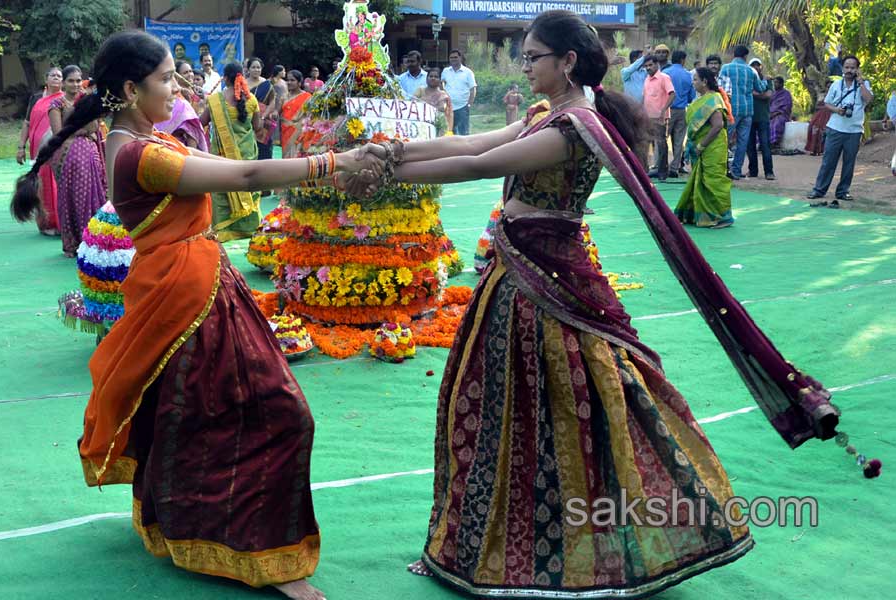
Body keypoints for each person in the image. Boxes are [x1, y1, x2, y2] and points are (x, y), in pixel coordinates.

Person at [351, 10, 838, 598]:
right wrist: (391, 151)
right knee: (503, 408)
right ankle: (498, 543)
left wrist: (386, 175)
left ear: (568, 62)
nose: (524, 66)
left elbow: (481, 166)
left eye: (533, 57)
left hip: (549, 283)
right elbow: (476, 139)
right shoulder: (545, 114)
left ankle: (611, 539)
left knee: (578, 403)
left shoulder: (574, 127)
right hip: (516, 273)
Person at [10, 30, 383, 600]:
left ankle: (179, 524)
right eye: (166, 78)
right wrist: (337, 161)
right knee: (283, 413)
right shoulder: (140, 153)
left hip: (193, 288)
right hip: (187, 297)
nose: (179, 85)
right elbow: (247, 175)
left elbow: (228, 165)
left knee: (185, 414)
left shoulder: (141, 140)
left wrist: (349, 163)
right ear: (131, 89)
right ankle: (269, 557)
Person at [200, 63, 268, 241]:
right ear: (241, 77)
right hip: (246, 152)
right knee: (247, 185)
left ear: (226, 78)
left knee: (223, 187)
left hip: (222, 154)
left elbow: (201, 122)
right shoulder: (251, 100)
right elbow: (257, 127)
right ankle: (248, 227)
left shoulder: (215, 101)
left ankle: (223, 229)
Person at [47, 66, 109, 257]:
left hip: (90, 153)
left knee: (95, 192)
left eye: (77, 80)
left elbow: (95, 126)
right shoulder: (57, 105)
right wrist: (82, 131)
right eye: (70, 81)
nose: (74, 84)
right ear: (63, 83)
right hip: (68, 156)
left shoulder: (89, 101)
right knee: (73, 196)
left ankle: (95, 240)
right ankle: (74, 242)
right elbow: (59, 133)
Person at [807, 55, 873, 208]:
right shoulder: (836, 85)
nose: (849, 70)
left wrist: (861, 82)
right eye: (847, 67)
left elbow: (868, 99)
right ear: (842, 69)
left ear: (857, 69)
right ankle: (819, 190)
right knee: (828, 161)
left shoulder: (864, 84)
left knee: (849, 163)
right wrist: (837, 110)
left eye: (853, 67)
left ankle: (843, 191)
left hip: (854, 130)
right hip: (835, 128)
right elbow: (827, 103)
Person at [674, 68, 733, 228]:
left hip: (712, 147)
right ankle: (699, 214)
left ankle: (723, 217)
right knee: (700, 180)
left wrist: (701, 145)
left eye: (695, 80)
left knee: (713, 180)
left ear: (704, 81)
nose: (693, 83)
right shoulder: (701, 99)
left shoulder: (714, 99)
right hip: (701, 147)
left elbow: (718, 125)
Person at [16, 66, 64, 236]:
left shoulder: (64, 99)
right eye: (53, 75)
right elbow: (27, 123)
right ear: (46, 79)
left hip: (55, 148)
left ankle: (60, 223)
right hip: (36, 150)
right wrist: (21, 146)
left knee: (56, 183)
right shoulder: (36, 98)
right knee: (41, 184)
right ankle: (45, 223)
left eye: (60, 76)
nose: (57, 78)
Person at [720, 44, 767, 179]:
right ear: (746, 56)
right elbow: (760, 88)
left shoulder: (725, 68)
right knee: (742, 142)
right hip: (747, 110)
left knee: (725, 139)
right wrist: (765, 80)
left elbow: (720, 87)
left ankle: (723, 168)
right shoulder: (751, 71)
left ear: (734, 54)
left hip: (730, 109)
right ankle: (736, 170)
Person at [642, 54, 675, 181]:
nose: (648, 68)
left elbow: (672, 94)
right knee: (646, 143)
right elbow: (645, 98)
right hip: (647, 116)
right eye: (646, 66)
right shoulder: (646, 80)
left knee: (661, 143)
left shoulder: (664, 78)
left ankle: (662, 172)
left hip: (660, 117)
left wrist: (663, 110)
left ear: (657, 64)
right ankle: (647, 170)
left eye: (650, 65)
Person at [665, 49, 696, 177]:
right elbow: (691, 96)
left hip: (667, 110)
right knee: (678, 141)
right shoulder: (688, 75)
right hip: (682, 110)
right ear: (683, 60)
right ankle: (675, 167)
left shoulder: (665, 73)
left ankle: (660, 166)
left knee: (662, 138)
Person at [745, 58, 774, 179]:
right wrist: (760, 94)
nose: (756, 67)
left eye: (758, 65)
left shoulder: (767, 80)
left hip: (763, 117)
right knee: (750, 146)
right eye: (753, 65)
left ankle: (769, 172)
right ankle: (753, 171)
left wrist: (753, 93)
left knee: (765, 145)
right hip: (749, 116)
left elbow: (768, 95)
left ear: (761, 67)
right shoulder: (748, 80)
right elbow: (764, 94)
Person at [246, 57, 277, 161]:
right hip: (246, 121)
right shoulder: (242, 84)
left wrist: (263, 116)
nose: (256, 70)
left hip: (263, 123)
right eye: (253, 67)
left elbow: (272, 101)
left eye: (258, 67)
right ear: (248, 69)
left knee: (264, 150)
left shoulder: (267, 84)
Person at [441, 49, 477, 135]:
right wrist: (443, 93)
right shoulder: (446, 71)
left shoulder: (468, 72)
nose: (453, 59)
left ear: (460, 58)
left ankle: (464, 149)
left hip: (462, 107)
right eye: (451, 57)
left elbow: (473, 90)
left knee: (463, 132)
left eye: (455, 57)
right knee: (449, 131)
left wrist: (469, 104)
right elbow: (441, 83)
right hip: (448, 107)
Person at [280, 69, 312, 158]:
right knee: (286, 157)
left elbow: (310, 117)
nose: (289, 82)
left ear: (299, 82)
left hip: (299, 132)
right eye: (288, 80)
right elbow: (277, 113)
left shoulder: (307, 97)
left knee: (296, 157)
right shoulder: (284, 97)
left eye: (292, 80)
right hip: (285, 131)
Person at [414, 67, 453, 132]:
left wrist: (449, 131)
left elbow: (449, 114)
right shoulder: (420, 91)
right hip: (420, 126)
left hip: (438, 128)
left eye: (436, 77)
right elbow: (412, 105)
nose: (433, 78)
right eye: (430, 76)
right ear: (426, 79)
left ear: (440, 80)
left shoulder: (444, 96)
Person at [769, 76, 793, 147]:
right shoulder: (772, 93)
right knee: (764, 124)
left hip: (781, 114)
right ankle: (764, 143)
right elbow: (769, 104)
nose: (774, 84)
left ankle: (775, 143)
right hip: (771, 114)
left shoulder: (786, 94)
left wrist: (776, 113)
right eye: (774, 83)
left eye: (776, 83)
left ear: (781, 84)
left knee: (777, 123)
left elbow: (787, 106)